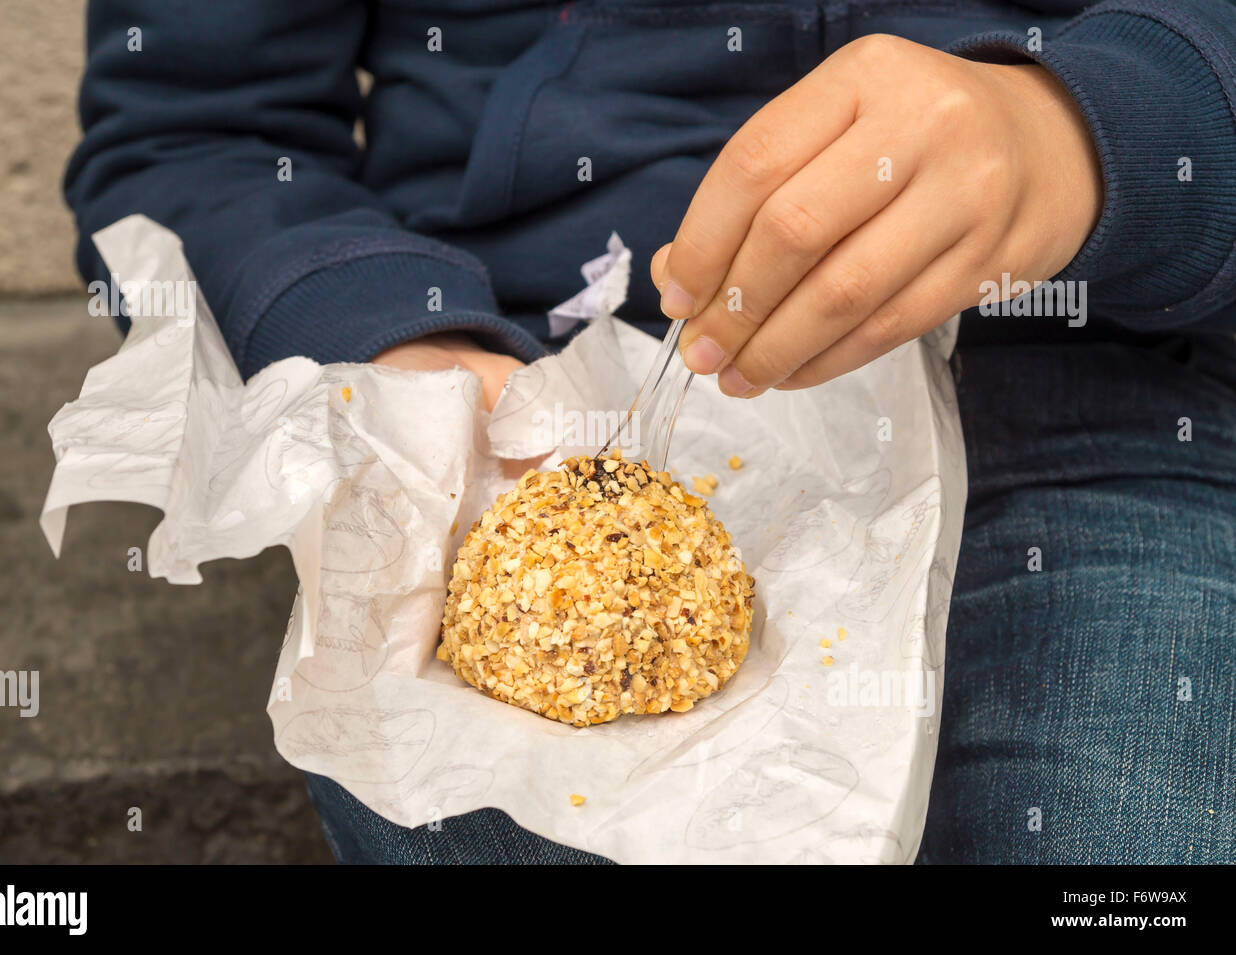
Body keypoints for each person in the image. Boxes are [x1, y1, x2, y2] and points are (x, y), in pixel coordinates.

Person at [66, 0, 1236, 864]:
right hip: (530, 398)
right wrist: (392, 346)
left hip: (1100, 385)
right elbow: (187, 138)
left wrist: (1093, 134)